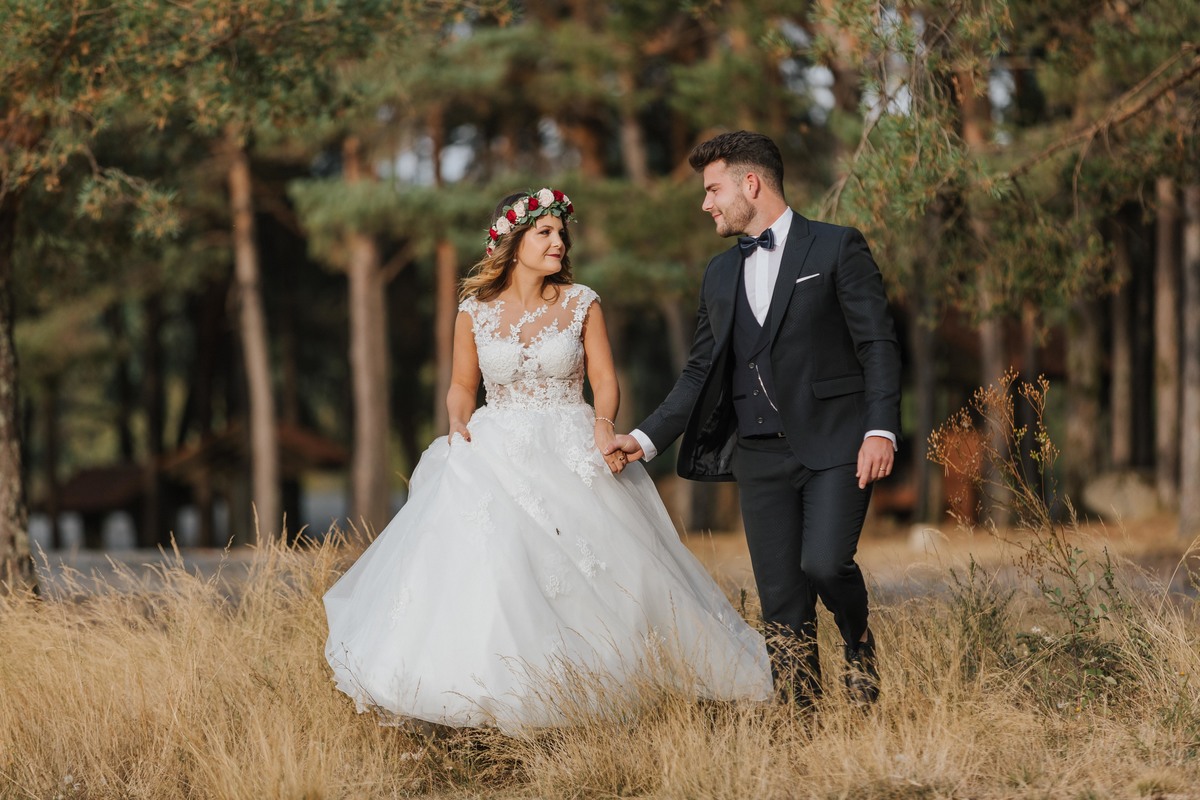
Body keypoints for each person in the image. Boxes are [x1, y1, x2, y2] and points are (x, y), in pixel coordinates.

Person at [323, 188, 771, 733]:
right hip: (495, 447)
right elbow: (463, 386)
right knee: (496, 564)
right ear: (512, 243)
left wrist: (603, 423)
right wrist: (458, 422)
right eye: (545, 233)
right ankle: (487, 692)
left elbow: (605, 380)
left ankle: (609, 689)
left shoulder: (582, 301)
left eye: (562, 233)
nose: (559, 241)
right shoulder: (473, 311)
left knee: (604, 572)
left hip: (571, 442)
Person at [606, 131, 902, 706]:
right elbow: (697, 372)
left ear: (751, 183)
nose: (705, 204)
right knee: (781, 601)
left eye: (713, 189)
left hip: (838, 443)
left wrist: (881, 428)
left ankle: (858, 637)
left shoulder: (837, 248)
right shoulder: (719, 274)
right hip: (760, 454)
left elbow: (878, 346)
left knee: (823, 564)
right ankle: (799, 727)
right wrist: (644, 438)